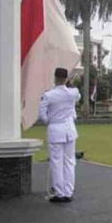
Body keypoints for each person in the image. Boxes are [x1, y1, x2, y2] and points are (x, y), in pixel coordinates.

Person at [38, 67, 80, 203]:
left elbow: (42, 116)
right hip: (70, 129)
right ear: (66, 79)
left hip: (56, 129)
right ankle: (68, 191)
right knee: (69, 162)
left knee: (56, 162)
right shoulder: (73, 93)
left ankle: (59, 193)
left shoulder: (48, 95)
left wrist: (52, 120)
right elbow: (76, 96)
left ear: (55, 78)